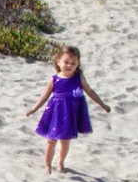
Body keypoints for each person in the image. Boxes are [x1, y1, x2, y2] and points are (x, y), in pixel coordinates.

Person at [26, 44, 110, 174]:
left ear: (78, 64)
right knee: (51, 140)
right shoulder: (54, 80)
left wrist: (102, 105)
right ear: (58, 61)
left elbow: (90, 92)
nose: (69, 65)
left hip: (70, 113)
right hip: (56, 113)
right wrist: (34, 109)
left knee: (65, 141)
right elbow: (44, 96)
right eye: (66, 62)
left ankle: (60, 163)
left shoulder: (79, 78)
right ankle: (47, 165)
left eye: (73, 63)